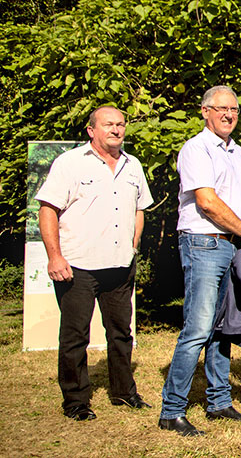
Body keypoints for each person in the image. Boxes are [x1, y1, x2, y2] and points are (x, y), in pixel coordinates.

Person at [159, 85, 241, 437]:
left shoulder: (237, 152)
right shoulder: (196, 148)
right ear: (205, 111)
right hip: (203, 243)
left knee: (222, 328)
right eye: (221, 109)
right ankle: (172, 409)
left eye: (233, 109)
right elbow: (207, 202)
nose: (228, 115)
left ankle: (219, 402)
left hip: (231, 245)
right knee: (198, 328)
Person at [36, 106, 153, 421]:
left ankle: (124, 393)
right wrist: (54, 256)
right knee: (75, 336)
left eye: (120, 124)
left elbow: (140, 208)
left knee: (121, 333)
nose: (116, 130)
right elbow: (48, 209)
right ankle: (75, 401)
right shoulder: (70, 163)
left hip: (119, 266)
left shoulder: (133, 165)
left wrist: (133, 243)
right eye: (108, 124)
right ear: (91, 130)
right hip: (78, 266)